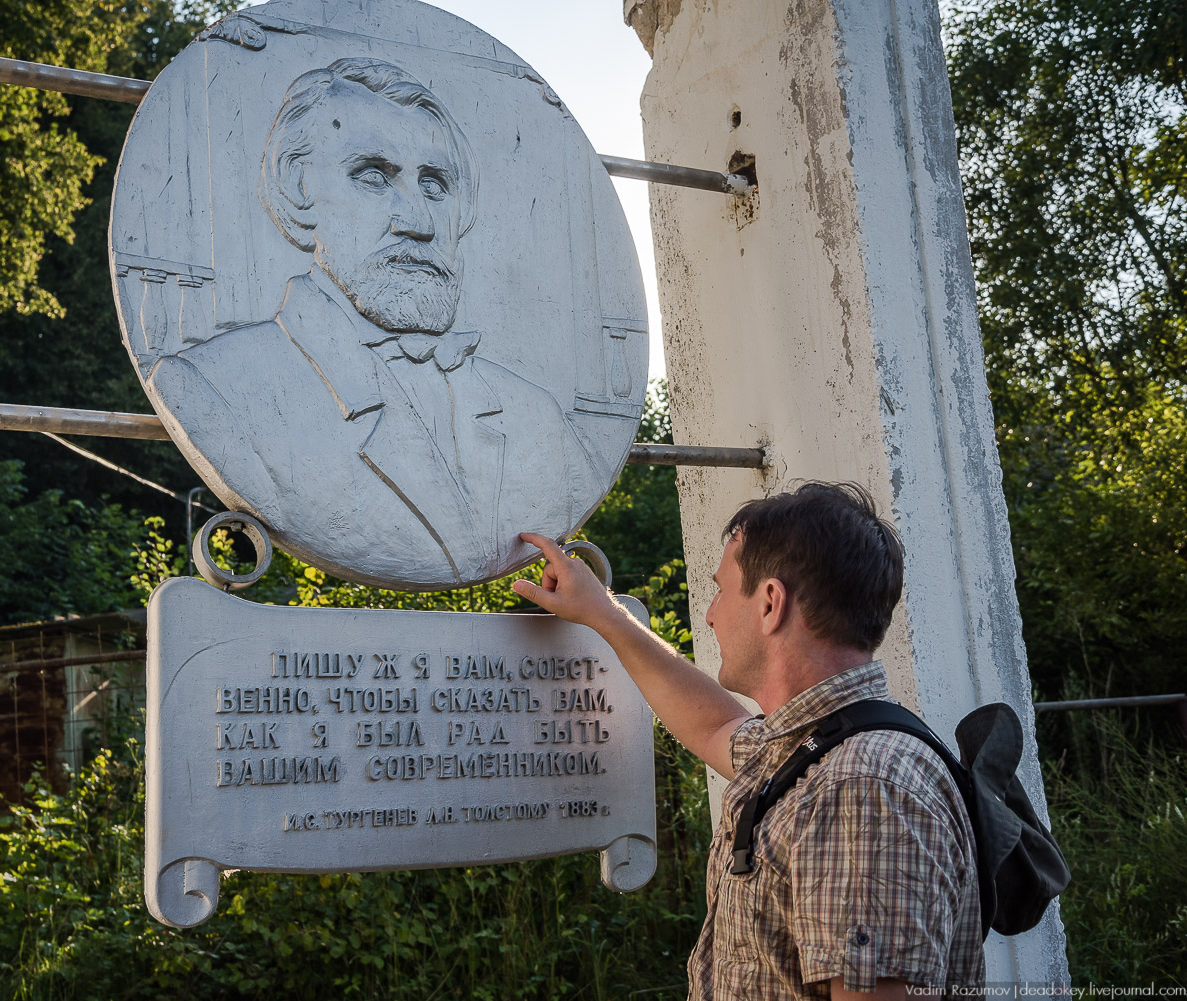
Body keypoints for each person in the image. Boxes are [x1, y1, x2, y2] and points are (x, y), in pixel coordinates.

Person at [146, 57, 614, 589]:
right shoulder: (216, 388)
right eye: (373, 176)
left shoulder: (540, 420)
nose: (418, 221)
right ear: (298, 191)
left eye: (435, 185)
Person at [513, 482, 984, 999]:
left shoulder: (859, 789)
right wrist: (603, 612)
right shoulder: (808, 746)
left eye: (719, 589)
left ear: (770, 604)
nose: (710, 613)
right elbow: (713, 726)